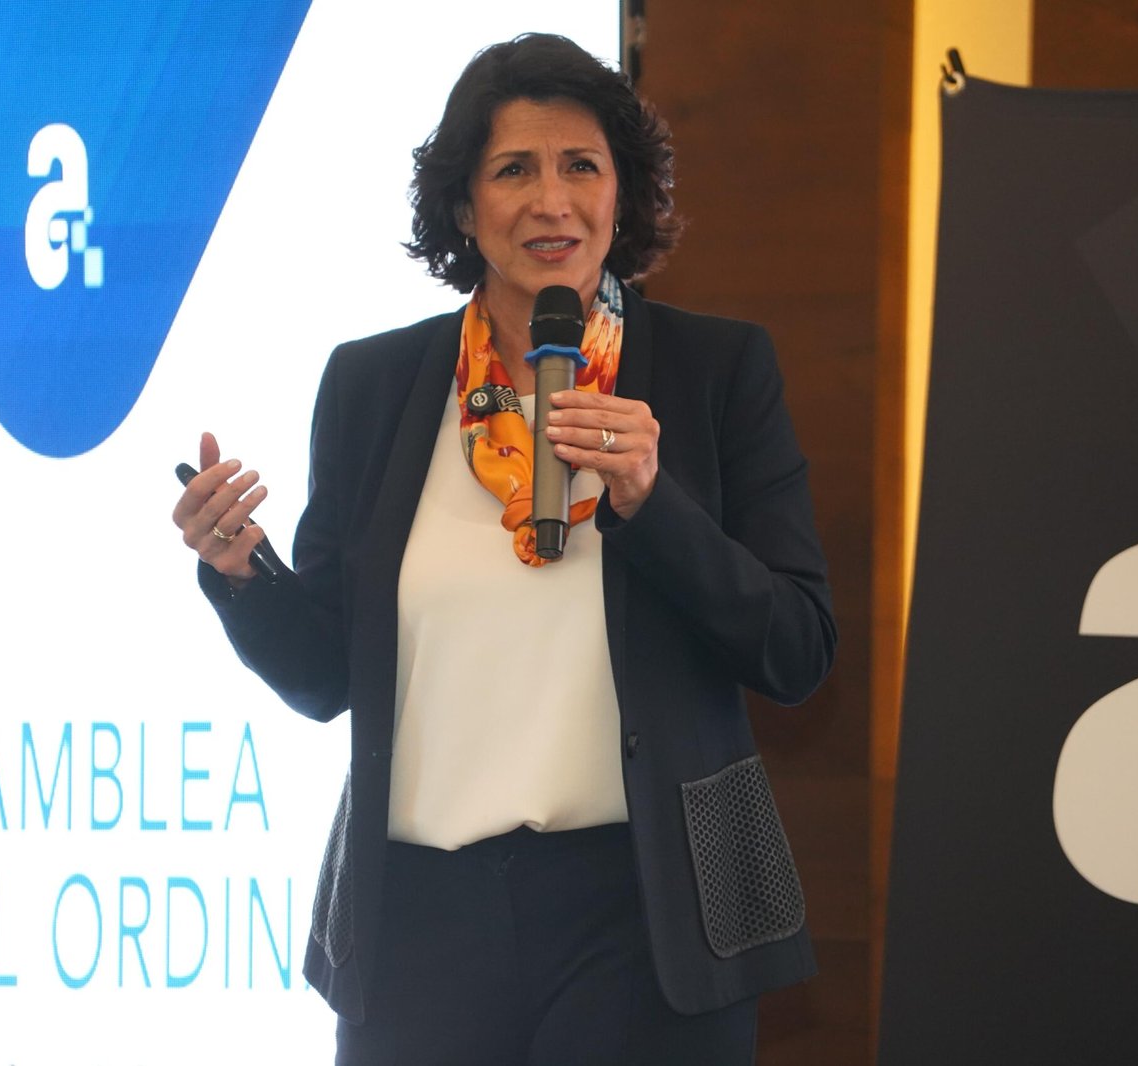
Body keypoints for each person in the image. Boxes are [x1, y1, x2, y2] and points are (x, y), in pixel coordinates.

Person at [172, 33, 835, 1066]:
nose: (551, 202)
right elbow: (324, 675)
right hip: (419, 925)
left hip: (646, 918)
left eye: (582, 167)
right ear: (462, 205)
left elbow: (797, 649)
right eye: (514, 169)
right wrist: (240, 572)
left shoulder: (715, 372)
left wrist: (651, 501)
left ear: (622, 194)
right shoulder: (373, 386)